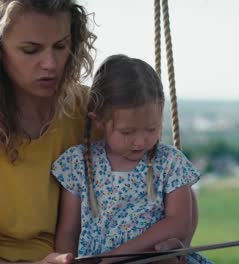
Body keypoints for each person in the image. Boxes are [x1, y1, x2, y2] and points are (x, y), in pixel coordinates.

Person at [0, 0, 200, 263]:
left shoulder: (97, 112)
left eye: (60, 46)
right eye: (31, 50)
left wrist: (174, 248)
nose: (51, 64)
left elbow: (172, 188)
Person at [53, 55, 212, 264]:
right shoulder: (78, 163)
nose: (140, 141)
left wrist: (113, 258)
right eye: (127, 132)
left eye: (151, 129)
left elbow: (179, 223)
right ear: (98, 121)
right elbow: (68, 230)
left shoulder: (170, 162)